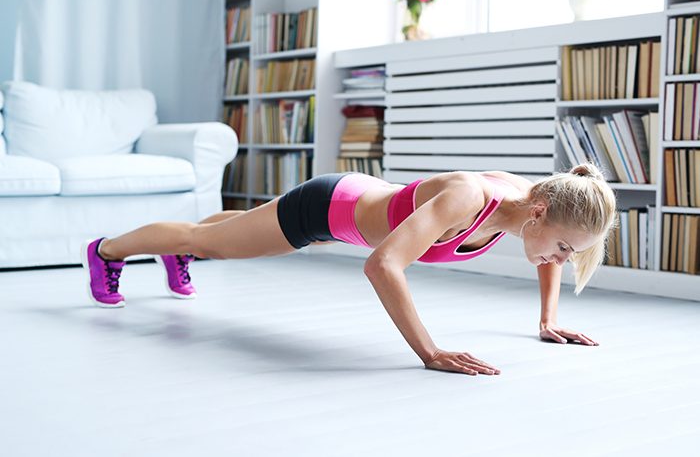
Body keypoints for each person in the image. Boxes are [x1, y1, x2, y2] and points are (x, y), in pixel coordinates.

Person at [81, 162, 617, 377]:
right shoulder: (469, 198)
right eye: (567, 248)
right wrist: (429, 353)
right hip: (326, 207)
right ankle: (105, 250)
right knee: (210, 243)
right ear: (543, 213)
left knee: (235, 230)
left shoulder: (531, 206)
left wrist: (547, 321)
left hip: (352, 207)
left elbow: (545, 257)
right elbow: (382, 264)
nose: (561, 260)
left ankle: (184, 250)